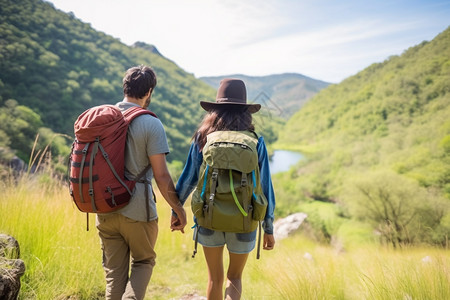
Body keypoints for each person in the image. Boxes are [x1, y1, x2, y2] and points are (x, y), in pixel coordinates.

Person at [175, 78, 275, 300]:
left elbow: (189, 178)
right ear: (246, 111)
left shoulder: (203, 138)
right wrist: (268, 228)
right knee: (234, 277)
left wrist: (176, 210)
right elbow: (265, 187)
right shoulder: (256, 141)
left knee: (215, 279)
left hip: (208, 217)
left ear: (215, 110)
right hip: (245, 219)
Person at [95, 65, 187, 300]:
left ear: (124, 87)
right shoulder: (150, 123)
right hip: (137, 210)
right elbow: (162, 175)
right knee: (144, 261)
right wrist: (178, 209)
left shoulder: (102, 119)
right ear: (149, 92)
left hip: (104, 207)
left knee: (114, 272)